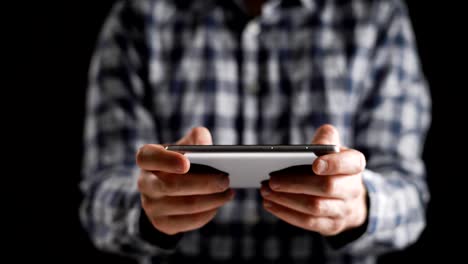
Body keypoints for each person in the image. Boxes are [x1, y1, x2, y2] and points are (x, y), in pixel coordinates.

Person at [79, 0, 431, 263]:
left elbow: (410, 198)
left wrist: (360, 207)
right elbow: (99, 196)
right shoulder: (139, 16)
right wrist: (145, 210)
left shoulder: (377, 14)